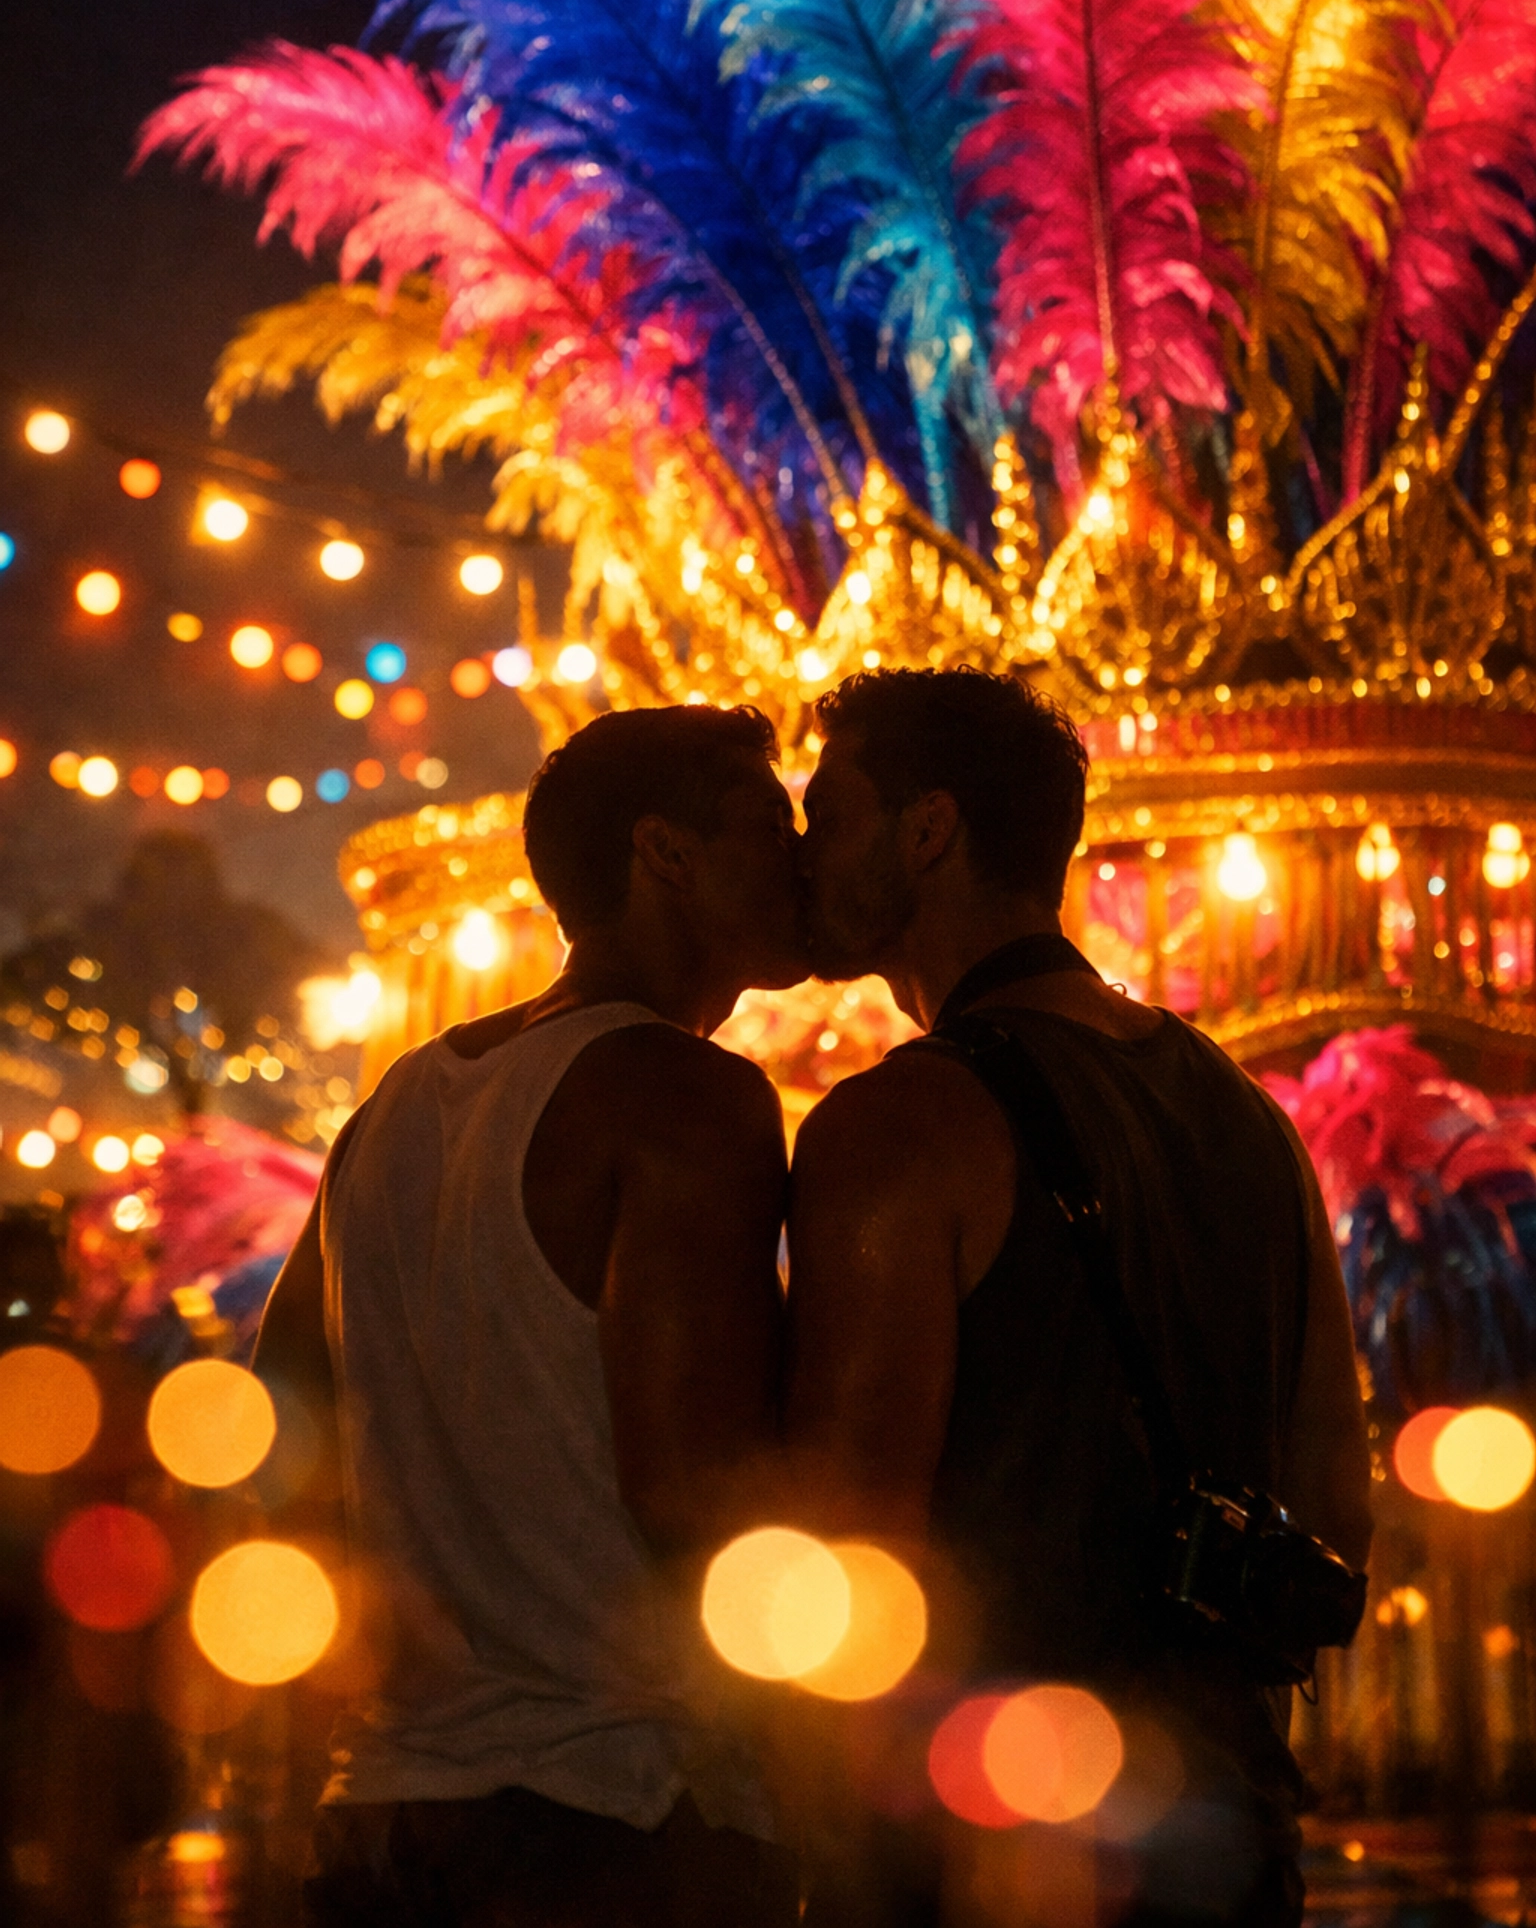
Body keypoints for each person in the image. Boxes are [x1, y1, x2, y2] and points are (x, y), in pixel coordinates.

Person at [786, 668, 1371, 1928]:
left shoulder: (898, 1128)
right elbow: (1336, 1488)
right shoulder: (1248, 1115)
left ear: (928, 829)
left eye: (827, 812)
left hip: (988, 1838)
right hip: (1225, 1817)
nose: (802, 851)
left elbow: (856, 1551)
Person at [256, 704, 807, 1928]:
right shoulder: (688, 1097)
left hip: (392, 1802)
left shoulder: (398, 1103)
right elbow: (692, 1493)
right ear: (664, 853)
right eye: (771, 827)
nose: (802, 859)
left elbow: (280, 1423)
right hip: (627, 1805)